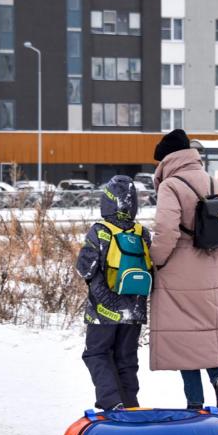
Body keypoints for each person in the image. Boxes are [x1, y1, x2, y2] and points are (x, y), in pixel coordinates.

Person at [148, 129, 218, 415]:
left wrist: (155, 261)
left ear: (166, 159)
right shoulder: (213, 180)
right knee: (207, 332)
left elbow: (165, 232)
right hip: (213, 267)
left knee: (184, 337)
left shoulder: (171, 185)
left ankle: (195, 406)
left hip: (180, 271)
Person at [76, 175, 152, 411]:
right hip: (135, 311)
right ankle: (130, 406)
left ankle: (112, 404)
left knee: (96, 354)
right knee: (126, 360)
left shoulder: (100, 231)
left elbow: (84, 268)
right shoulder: (143, 233)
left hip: (103, 310)